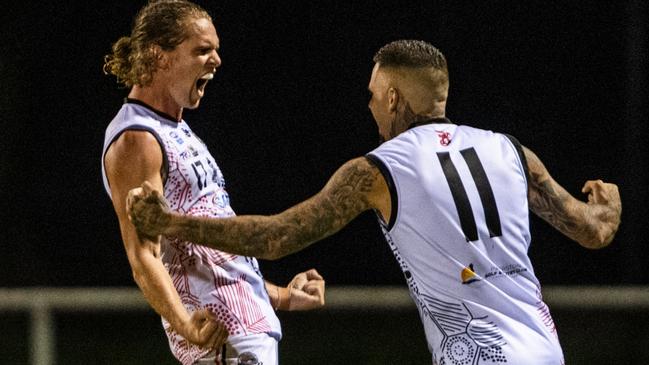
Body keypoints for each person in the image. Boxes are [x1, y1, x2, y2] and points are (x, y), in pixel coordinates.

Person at [127, 39, 622, 364]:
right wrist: (612, 203)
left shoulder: (379, 169)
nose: (368, 107)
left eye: (371, 95)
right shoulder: (509, 150)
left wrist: (173, 222)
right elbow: (594, 230)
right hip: (545, 350)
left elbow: (275, 237)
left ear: (392, 99)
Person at [101, 1, 325, 364]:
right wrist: (187, 325)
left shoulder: (175, 128)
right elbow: (144, 255)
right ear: (160, 56)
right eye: (202, 50)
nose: (217, 60)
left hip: (243, 334)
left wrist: (282, 296)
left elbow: (208, 256)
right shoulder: (138, 139)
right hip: (222, 343)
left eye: (216, 50)